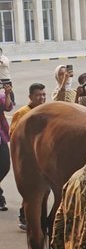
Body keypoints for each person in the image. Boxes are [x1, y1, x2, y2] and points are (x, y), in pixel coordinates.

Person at [9, 82, 46, 228]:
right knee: (30, 189)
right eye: (38, 95)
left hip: (41, 156)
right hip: (28, 157)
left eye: (43, 95)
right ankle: (24, 216)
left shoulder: (45, 110)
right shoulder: (23, 112)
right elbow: (14, 134)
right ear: (30, 96)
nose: (42, 98)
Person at [0, 83, 13, 211]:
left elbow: (8, 107)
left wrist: (8, 93)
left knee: (5, 166)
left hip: (0, 138)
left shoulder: (0, 96)